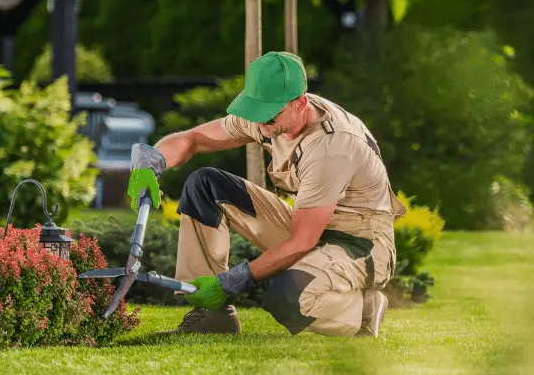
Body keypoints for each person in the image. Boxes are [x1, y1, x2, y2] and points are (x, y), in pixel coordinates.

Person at [126, 51, 406, 337]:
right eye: (256, 112)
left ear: (299, 104)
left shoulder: (332, 146)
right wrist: (152, 162)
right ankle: (212, 316)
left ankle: (363, 309)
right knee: (205, 185)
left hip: (360, 242)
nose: (261, 125)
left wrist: (228, 282)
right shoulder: (269, 117)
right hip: (310, 224)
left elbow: (301, 242)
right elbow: (193, 139)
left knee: (287, 299)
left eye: (269, 116)